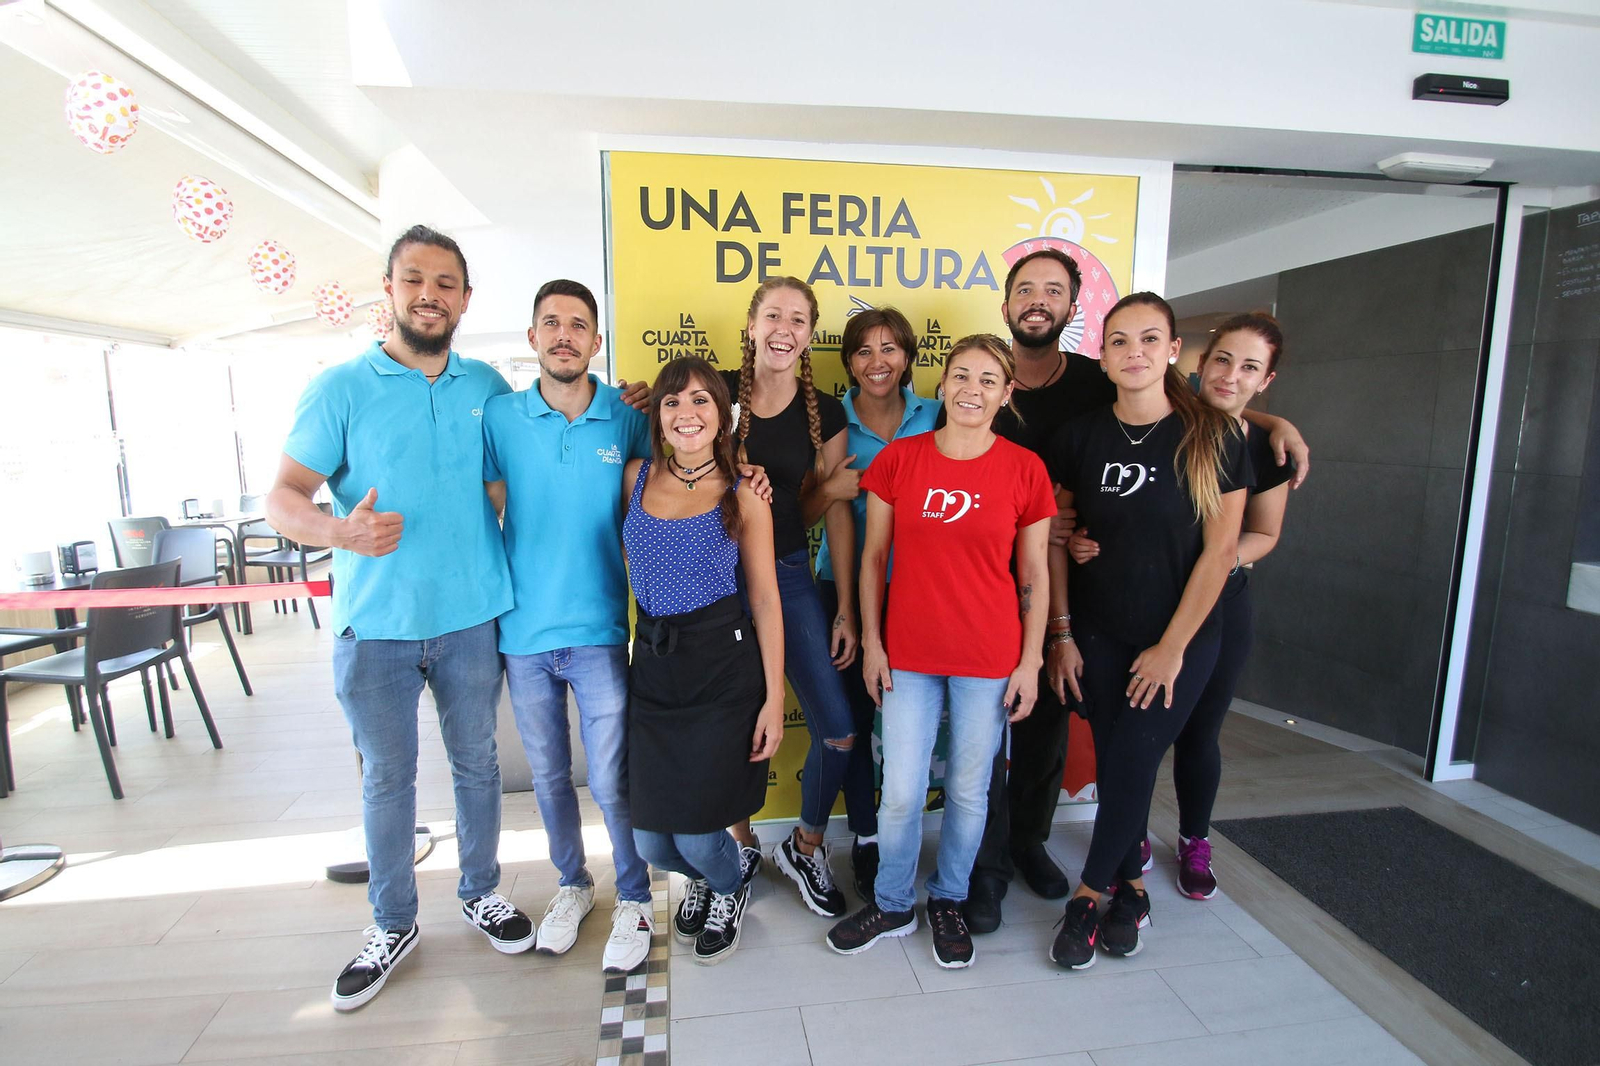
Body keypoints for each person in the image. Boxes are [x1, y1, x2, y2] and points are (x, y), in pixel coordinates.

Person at [966, 249, 1311, 934]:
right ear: (1006, 306)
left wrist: (1273, 423)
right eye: (1025, 289)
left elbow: (1210, 422)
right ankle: (1033, 872)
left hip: (1119, 608)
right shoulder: (986, 381)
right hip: (1012, 589)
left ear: (1071, 313)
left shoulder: (1103, 386)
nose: (1133, 352)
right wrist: (1074, 543)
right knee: (1000, 738)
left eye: (1055, 291)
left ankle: (1059, 868)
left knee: (1068, 741)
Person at [268, 225, 535, 1011]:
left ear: (464, 299)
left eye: (445, 282)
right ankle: (392, 923)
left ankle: (481, 891)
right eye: (414, 279)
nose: (429, 293)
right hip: (375, 625)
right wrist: (337, 531)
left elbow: (519, 462)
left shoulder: (487, 385)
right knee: (388, 779)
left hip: (471, 618)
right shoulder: (339, 387)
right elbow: (283, 496)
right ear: (387, 290)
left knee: (478, 765)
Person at [826, 333, 1055, 970]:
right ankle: (895, 901)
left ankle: (949, 897)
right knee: (898, 790)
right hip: (908, 652)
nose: (972, 391)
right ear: (942, 385)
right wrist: (873, 643)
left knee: (968, 791)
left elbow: (1034, 572)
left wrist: (1032, 660)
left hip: (989, 657)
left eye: (987, 380)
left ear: (1006, 393)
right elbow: (873, 559)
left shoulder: (1024, 469)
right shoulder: (900, 460)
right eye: (960, 376)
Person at [1043, 292, 1253, 970]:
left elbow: (1222, 553)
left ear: (1171, 352)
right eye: (1119, 341)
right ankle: (1133, 890)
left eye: (1149, 339)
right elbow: (1059, 537)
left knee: (1132, 757)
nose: (1134, 352)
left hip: (1181, 638)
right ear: (1102, 358)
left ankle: (1086, 898)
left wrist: (1171, 648)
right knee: (1118, 761)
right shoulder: (1080, 436)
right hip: (1099, 631)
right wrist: (1063, 634)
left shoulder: (1213, 436)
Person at [1069, 312, 1292, 900]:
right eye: (1223, 361)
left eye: (1250, 368)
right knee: (1125, 751)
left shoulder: (1250, 444)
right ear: (1198, 364)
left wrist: (1198, 561)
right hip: (1121, 610)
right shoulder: (1134, 418)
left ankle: (1191, 841)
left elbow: (1253, 540)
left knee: (1196, 735)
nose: (1231, 376)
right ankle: (1129, 857)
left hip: (1212, 607)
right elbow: (1073, 511)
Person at [482, 279, 657, 973]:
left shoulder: (626, 414)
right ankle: (572, 885)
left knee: (612, 779)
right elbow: (491, 508)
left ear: (595, 341)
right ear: (532, 338)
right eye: (550, 323)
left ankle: (636, 897)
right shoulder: (500, 418)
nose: (564, 334)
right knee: (551, 774)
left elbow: (670, 489)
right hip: (523, 632)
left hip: (602, 632)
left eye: (578, 324)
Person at [622, 356, 785, 965]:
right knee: (652, 841)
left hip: (724, 670)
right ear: (657, 418)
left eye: (700, 402)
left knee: (695, 833)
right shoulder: (634, 476)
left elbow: (766, 601)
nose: (686, 414)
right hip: (655, 670)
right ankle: (705, 872)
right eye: (672, 402)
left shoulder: (746, 493)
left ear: (722, 416)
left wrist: (773, 697)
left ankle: (728, 883)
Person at [721, 277, 859, 918]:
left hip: (791, 574)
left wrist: (850, 611)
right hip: (717, 581)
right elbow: (667, 454)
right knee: (725, 726)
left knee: (837, 732)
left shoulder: (826, 413)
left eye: (798, 319)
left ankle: (805, 845)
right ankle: (740, 844)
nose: (784, 328)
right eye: (773, 315)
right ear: (751, 324)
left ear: (809, 335)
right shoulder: (716, 391)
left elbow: (824, 510)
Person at [806, 306, 938, 901]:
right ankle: (864, 836)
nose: (877, 362)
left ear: (908, 356)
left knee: (921, 720)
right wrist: (849, 616)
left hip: (922, 588)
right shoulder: (832, 422)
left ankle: (917, 831)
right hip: (841, 587)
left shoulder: (937, 416)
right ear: (848, 361)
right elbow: (814, 511)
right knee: (856, 720)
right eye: (863, 351)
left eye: (889, 349)